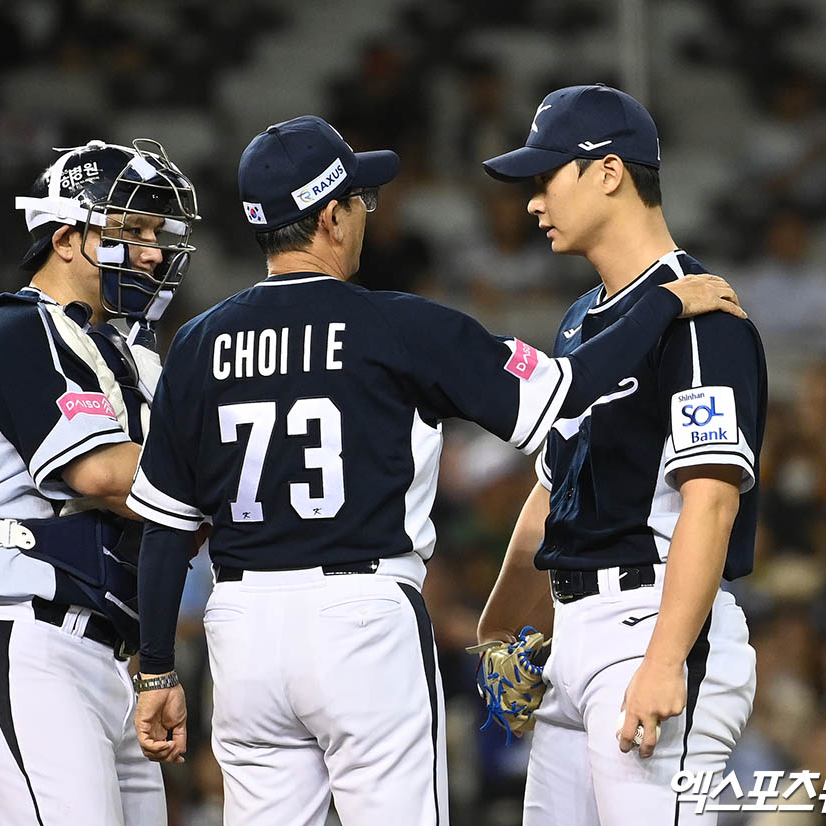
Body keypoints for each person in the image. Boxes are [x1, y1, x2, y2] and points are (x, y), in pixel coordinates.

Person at [124, 114, 745, 826]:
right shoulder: (397, 326)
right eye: (360, 201)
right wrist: (661, 305)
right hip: (359, 618)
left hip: (242, 627)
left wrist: (156, 669)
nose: (365, 213)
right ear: (331, 216)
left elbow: (165, 531)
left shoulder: (198, 344)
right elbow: (564, 392)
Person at [476, 83, 765, 825]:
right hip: (573, 636)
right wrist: (498, 625)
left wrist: (667, 658)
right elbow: (553, 489)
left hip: (653, 620)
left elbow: (713, 496)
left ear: (607, 172)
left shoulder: (698, 312)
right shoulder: (580, 321)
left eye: (546, 177)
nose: (533, 202)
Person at [0, 138, 200, 826]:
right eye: (128, 230)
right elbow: (104, 474)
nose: (152, 251)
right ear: (68, 237)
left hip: (107, 659)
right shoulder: (18, 329)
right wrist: (223, 474)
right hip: (22, 640)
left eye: (154, 234)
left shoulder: (129, 354)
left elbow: (179, 516)